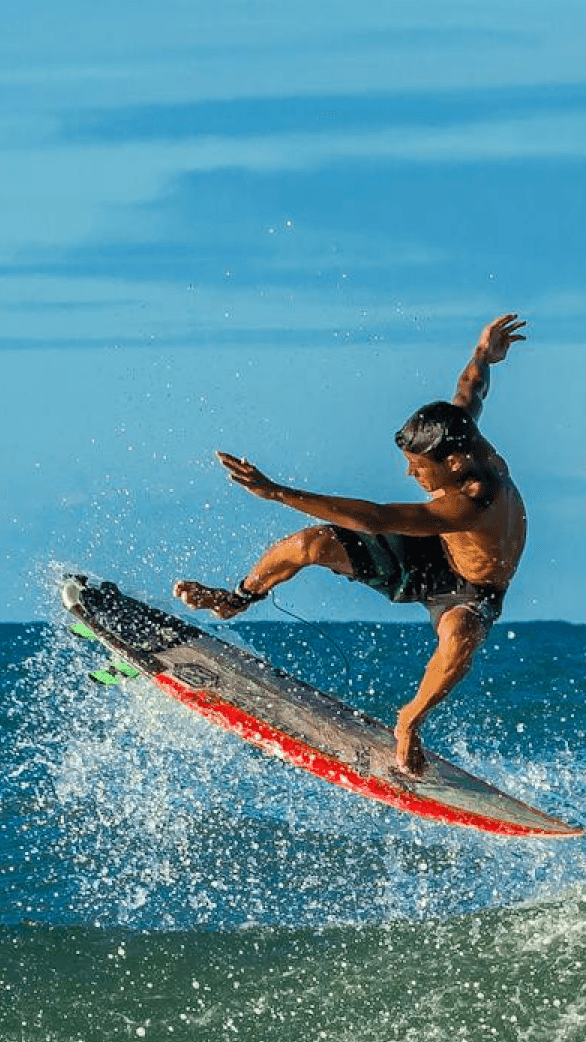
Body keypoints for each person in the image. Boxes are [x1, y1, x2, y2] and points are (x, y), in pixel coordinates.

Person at [175, 313, 529, 778]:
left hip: (471, 588)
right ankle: (235, 599)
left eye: (420, 468)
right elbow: (471, 387)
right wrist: (484, 353)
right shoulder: (460, 428)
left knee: (460, 636)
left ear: (455, 461)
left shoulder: (470, 503)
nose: (411, 474)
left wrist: (278, 492)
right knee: (311, 544)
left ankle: (408, 721)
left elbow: (378, 516)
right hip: (434, 546)